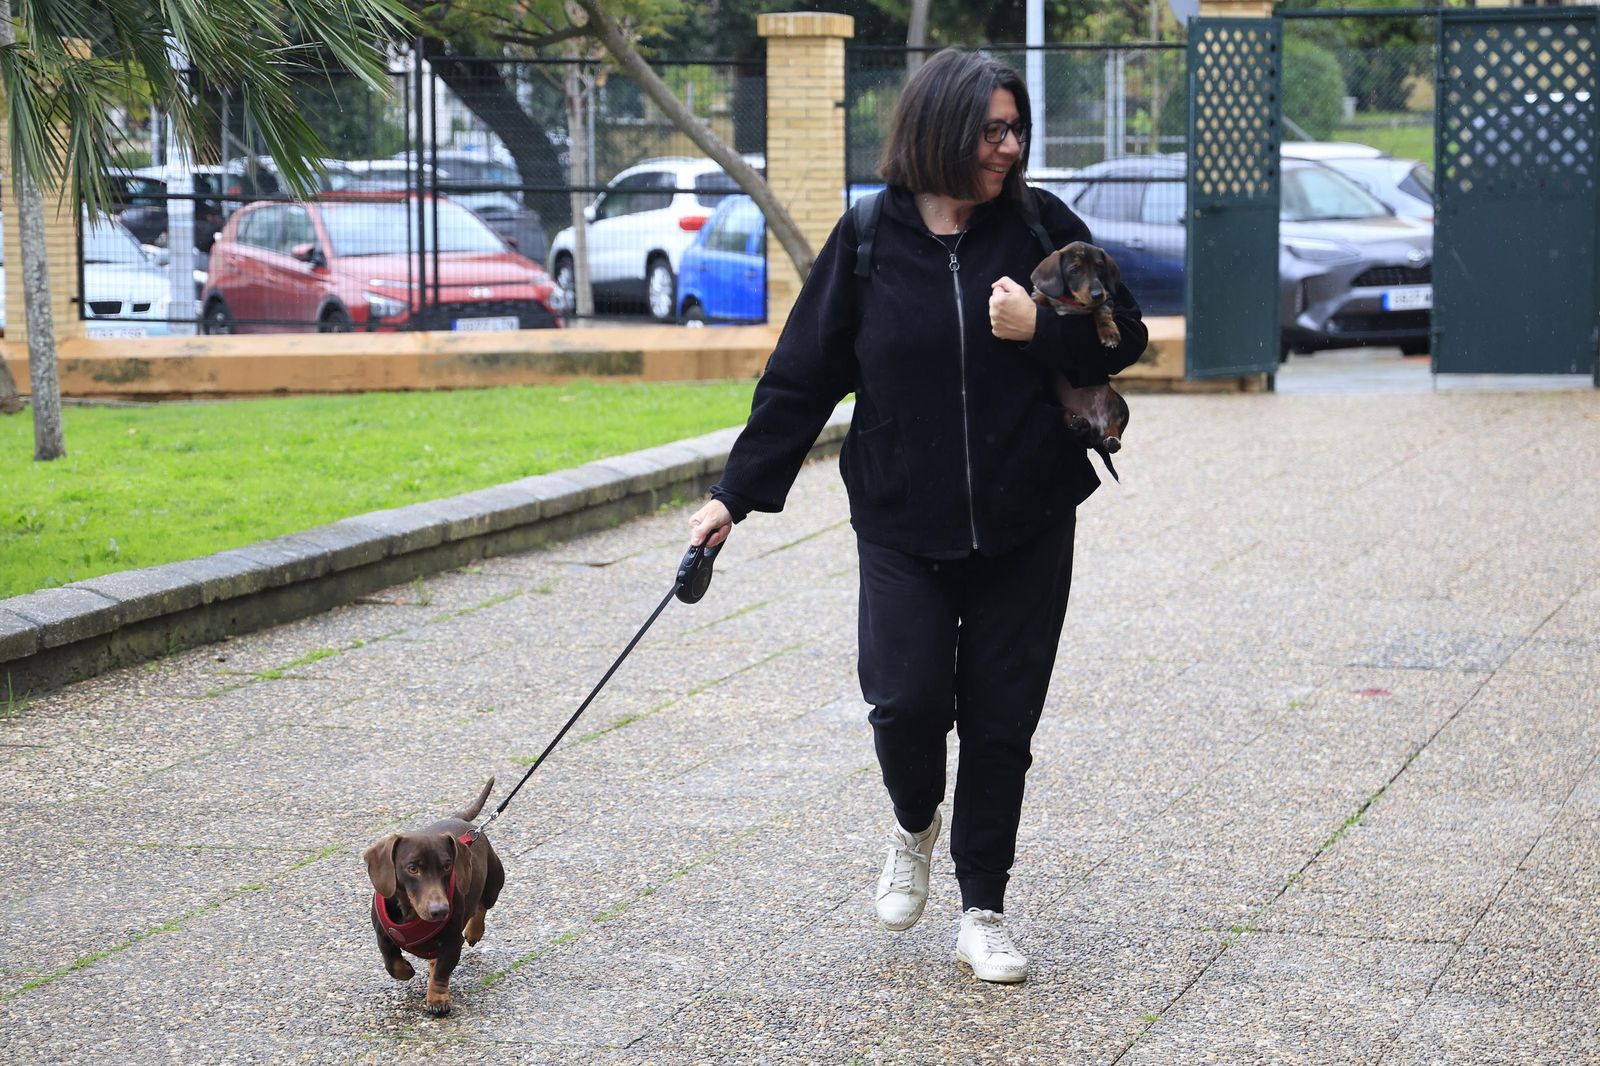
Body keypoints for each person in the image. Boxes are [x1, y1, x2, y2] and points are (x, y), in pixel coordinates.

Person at [686, 48, 1147, 984]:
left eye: (1015, 130)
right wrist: (732, 495)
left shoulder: (1037, 224)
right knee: (904, 705)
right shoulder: (867, 240)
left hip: (1027, 516)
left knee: (1001, 720)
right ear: (940, 128)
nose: (1009, 147)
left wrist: (1039, 328)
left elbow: (1124, 334)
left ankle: (984, 907)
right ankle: (912, 825)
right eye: (992, 130)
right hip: (901, 519)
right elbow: (801, 380)